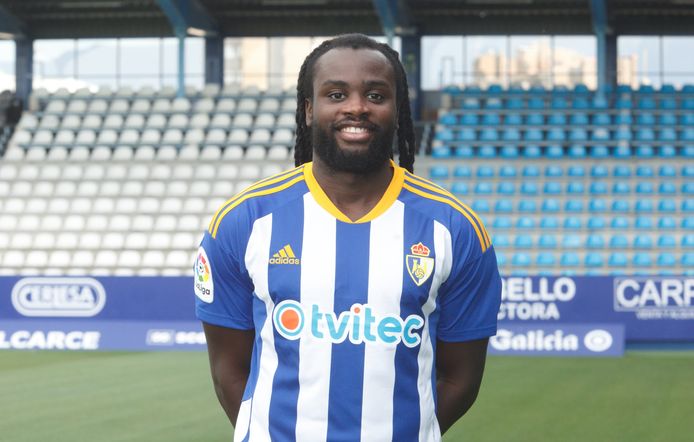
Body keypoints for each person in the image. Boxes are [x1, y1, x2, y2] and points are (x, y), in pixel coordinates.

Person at [195, 33, 501, 441]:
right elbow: (228, 371)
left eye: (375, 95)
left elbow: (460, 379)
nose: (356, 107)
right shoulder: (243, 221)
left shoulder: (456, 228)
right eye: (336, 94)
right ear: (309, 110)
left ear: (398, 109)